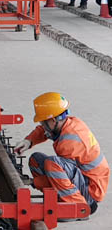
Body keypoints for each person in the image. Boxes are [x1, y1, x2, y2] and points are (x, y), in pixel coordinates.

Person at [14, 92, 109, 220]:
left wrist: (32, 182)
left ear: (52, 120)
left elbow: (61, 175)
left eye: (43, 122)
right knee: (35, 160)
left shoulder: (70, 141)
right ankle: (57, 198)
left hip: (90, 189)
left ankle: (77, 207)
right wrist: (29, 141)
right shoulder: (66, 123)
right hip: (80, 178)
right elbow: (45, 131)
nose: (42, 125)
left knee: (52, 164)